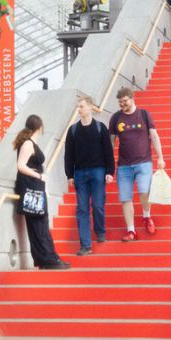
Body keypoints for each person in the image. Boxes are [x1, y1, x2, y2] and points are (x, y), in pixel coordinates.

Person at [12, 115, 68, 272]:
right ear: (40, 127)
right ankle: (47, 259)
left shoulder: (29, 142)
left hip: (34, 186)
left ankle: (48, 257)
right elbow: (21, 165)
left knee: (40, 222)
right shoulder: (28, 144)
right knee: (38, 222)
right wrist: (39, 176)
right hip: (31, 186)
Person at [109, 87, 165, 240]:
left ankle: (146, 216)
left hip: (143, 162)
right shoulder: (115, 118)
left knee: (144, 191)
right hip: (124, 165)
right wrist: (109, 165)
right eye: (120, 102)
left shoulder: (144, 114)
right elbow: (111, 143)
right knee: (125, 198)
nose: (122, 105)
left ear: (132, 99)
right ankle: (131, 230)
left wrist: (160, 157)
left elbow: (154, 136)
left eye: (125, 101)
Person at [64, 95, 115, 256]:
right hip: (80, 174)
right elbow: (68, 155)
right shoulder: (73, 130)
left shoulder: (101, 128)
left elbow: (108, 151)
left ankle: (100, 231)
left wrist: (109, 172)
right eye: (78, 107)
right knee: (82, 209)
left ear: (91, 107)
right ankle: (85, 245)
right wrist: (69, 175)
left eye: (81, 106)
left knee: (98, 206)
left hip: (98, 171)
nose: (79, 109)